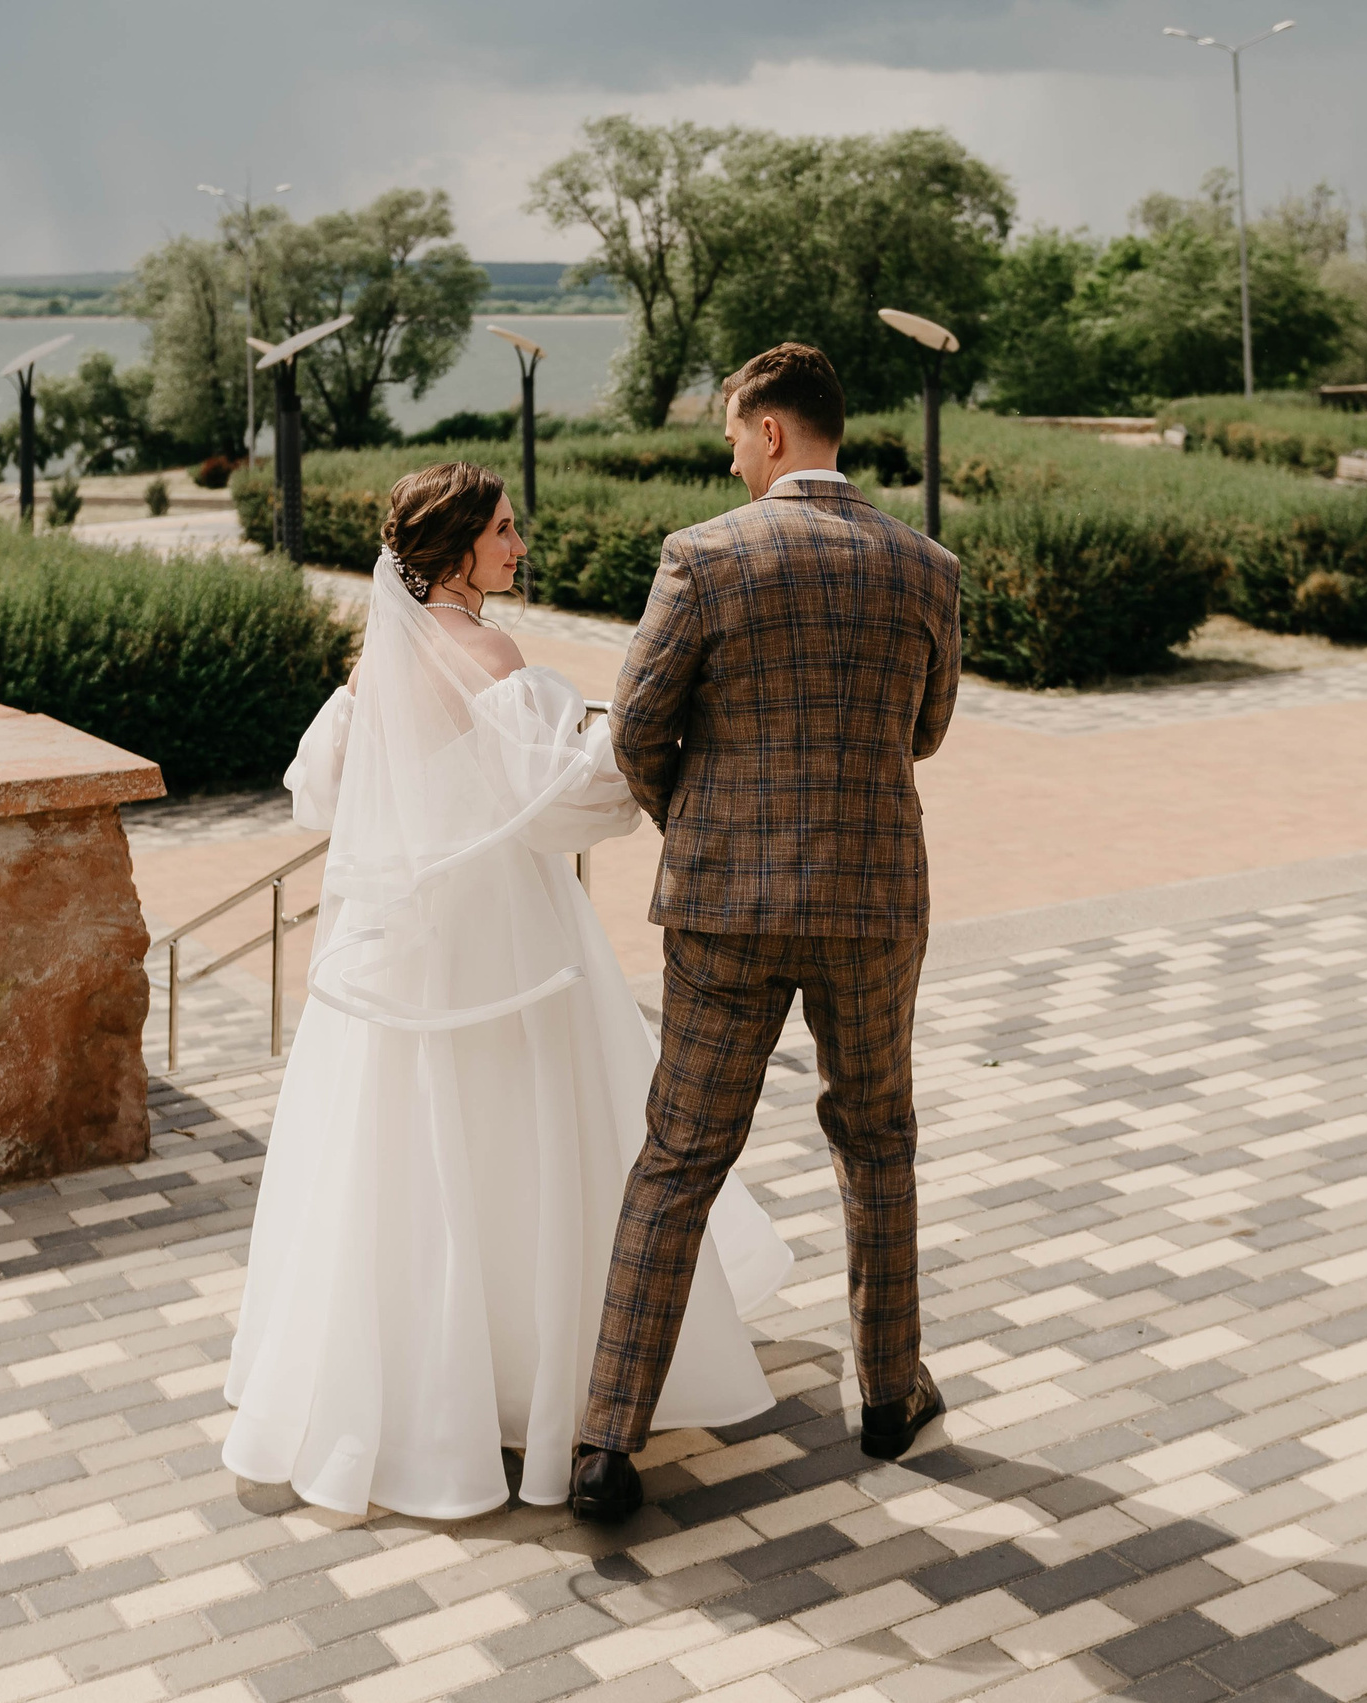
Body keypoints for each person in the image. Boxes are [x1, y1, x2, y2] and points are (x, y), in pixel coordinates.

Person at [222, 463, 791, 1520]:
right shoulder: (491, 655)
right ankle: (542, 1374)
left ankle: (413, 1385)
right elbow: (561, 808)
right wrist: (636, 753)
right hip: (505, 933)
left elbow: (316, 794)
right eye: (504, 528)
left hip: (399, 943)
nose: (518, 544)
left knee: (403, 1149)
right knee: (529, 1137)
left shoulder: (368, 674)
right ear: (455, 549)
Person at [570, 344, 963, 1523]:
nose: (728, 452)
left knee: (680, 1155)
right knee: (877, 1137)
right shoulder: (926, 565)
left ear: (775, 432)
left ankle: (606, 1439)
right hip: (872, 898)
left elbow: (636, 731)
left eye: (736, 433)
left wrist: (704, 818)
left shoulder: (701, 557)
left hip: (725, 907)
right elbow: (927, 730)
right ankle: (889, 1394)